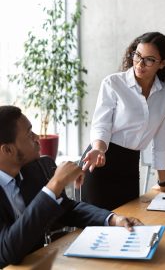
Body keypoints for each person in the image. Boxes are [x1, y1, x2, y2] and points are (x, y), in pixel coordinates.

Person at [0, 105, 143, 268]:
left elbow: (67, 209)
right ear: (8, 150)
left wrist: (112, 219)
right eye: (29, 134)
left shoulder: (33, 169)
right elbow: (7, 251)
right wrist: (55, 184)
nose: (37, 137)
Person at [80, 32, 165, 210]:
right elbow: (102, 125)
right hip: (101, 162)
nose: (140, 63)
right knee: (97, 228)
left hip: (130, 168)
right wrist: (98, 149)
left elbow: (161, 142)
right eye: (137, 55)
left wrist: (164, 184)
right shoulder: (113, 83)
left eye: (149, 59)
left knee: (128, 226)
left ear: (162, 64)